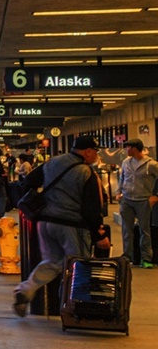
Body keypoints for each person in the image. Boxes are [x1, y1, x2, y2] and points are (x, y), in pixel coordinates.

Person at [13, 136, 111, 317]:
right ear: (88, 151)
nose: (97, 155)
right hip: (72, 226)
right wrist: (99, 236)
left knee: (52, 262)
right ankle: (75, 308)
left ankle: (25, 290)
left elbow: (28, 182)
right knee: (79, 265)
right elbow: (92, 208)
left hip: (46, 223)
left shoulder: (52, 162)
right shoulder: (86, 172)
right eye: (96, 151)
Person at [116, 138, 158, 268]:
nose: (126, 150)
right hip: (127, 199)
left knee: (144, 230)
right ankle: (128, 256)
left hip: (143, 200)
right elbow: (122, 178)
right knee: (126, 230)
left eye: (128, 147)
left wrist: (156, 196)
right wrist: (119, 192)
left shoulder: (151, 165)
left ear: (134, 148)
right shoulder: (126, 162)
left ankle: (146, 258)